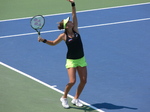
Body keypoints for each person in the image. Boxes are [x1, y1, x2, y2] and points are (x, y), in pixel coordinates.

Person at [38, 0, 87, 109]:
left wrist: (73, 4)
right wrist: (43, 40)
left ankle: (76, 98)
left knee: (83, 81)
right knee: (72, 81)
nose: (71, 21)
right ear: (66, 26)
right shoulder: (63, 36)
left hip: (81, 59)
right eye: (69, 22)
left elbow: (74, 14)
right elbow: (54, 43)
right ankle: (64, 97)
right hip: (71, 60)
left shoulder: (76, 30)